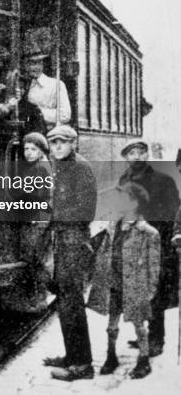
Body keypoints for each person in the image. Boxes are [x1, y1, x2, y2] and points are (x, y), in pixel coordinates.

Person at [88, 182, 160, 379]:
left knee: (139, 324)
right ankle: (111, 357)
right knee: (111, 325)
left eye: (122, 199)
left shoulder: (148, 232)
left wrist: (150, 290)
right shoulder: (113, 226)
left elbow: (153, 265)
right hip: (113, 284)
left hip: (135, 286)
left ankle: (144, 360)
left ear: (135, 203)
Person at [43, 124, 97, 381]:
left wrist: (51, 214)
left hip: (74, 239)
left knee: (72, 300)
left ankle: (82, 365)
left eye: (62, 143)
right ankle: (71, 355)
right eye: (53, 144)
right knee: (64, 299)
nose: (58, 147)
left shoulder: (81, 168)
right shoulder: (57, 166)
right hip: (61, 237)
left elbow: (86, 211)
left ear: (73, 143)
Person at [118, 140, 180, 356]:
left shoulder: (163, 180)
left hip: (157, 242)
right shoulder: (124, 179)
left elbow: (172, 213)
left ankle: (156, 340)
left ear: (147, 155)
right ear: (126, 157)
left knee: (156, 290)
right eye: (131, 153)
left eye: (140, 152)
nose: (136, 157)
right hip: (134, 244)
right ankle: (142, 335)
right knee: (138, 289)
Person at [18, 132, 53, 311]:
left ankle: (40, 299)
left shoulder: (40, 168)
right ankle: (39, 297)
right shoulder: (39, 165)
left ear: (41, 151)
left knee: (35, 259)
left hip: (38, 220)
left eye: (33, 149)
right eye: (26, 149)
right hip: (38, 219)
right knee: (35, 258)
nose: (28, 153)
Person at [24, 52, 71, 130]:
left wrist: (38, 113)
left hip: (47, 132)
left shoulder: (55, 85)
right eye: (26, 64)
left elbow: (65, 115)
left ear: (41, 65)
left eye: (33, 64)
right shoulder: (24, 85)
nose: (29, 68)